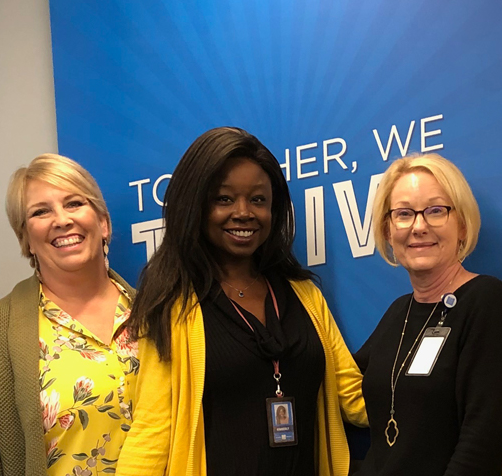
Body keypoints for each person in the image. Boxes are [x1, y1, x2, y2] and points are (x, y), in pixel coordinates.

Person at [117, 127, 366, 476]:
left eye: (258, 200)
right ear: (195, 206)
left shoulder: (304, 295)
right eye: (224, 199)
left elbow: (352, 393)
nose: (244, 212)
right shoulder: (174, 309)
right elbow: (152, 431)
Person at [0, 154, 138, 476]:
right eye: (41, 212)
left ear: (103, 222)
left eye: (74, 203)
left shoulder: (155, 313)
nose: (61, 219)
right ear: (26, 239)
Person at [354, 153, 502, 476]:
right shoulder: (397, 314)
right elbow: (342, 376)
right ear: (388, 231)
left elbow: (481, 445)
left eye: (435, 211)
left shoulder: (487, 302)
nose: (419, 226)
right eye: (403, 214)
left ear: (461, 224)